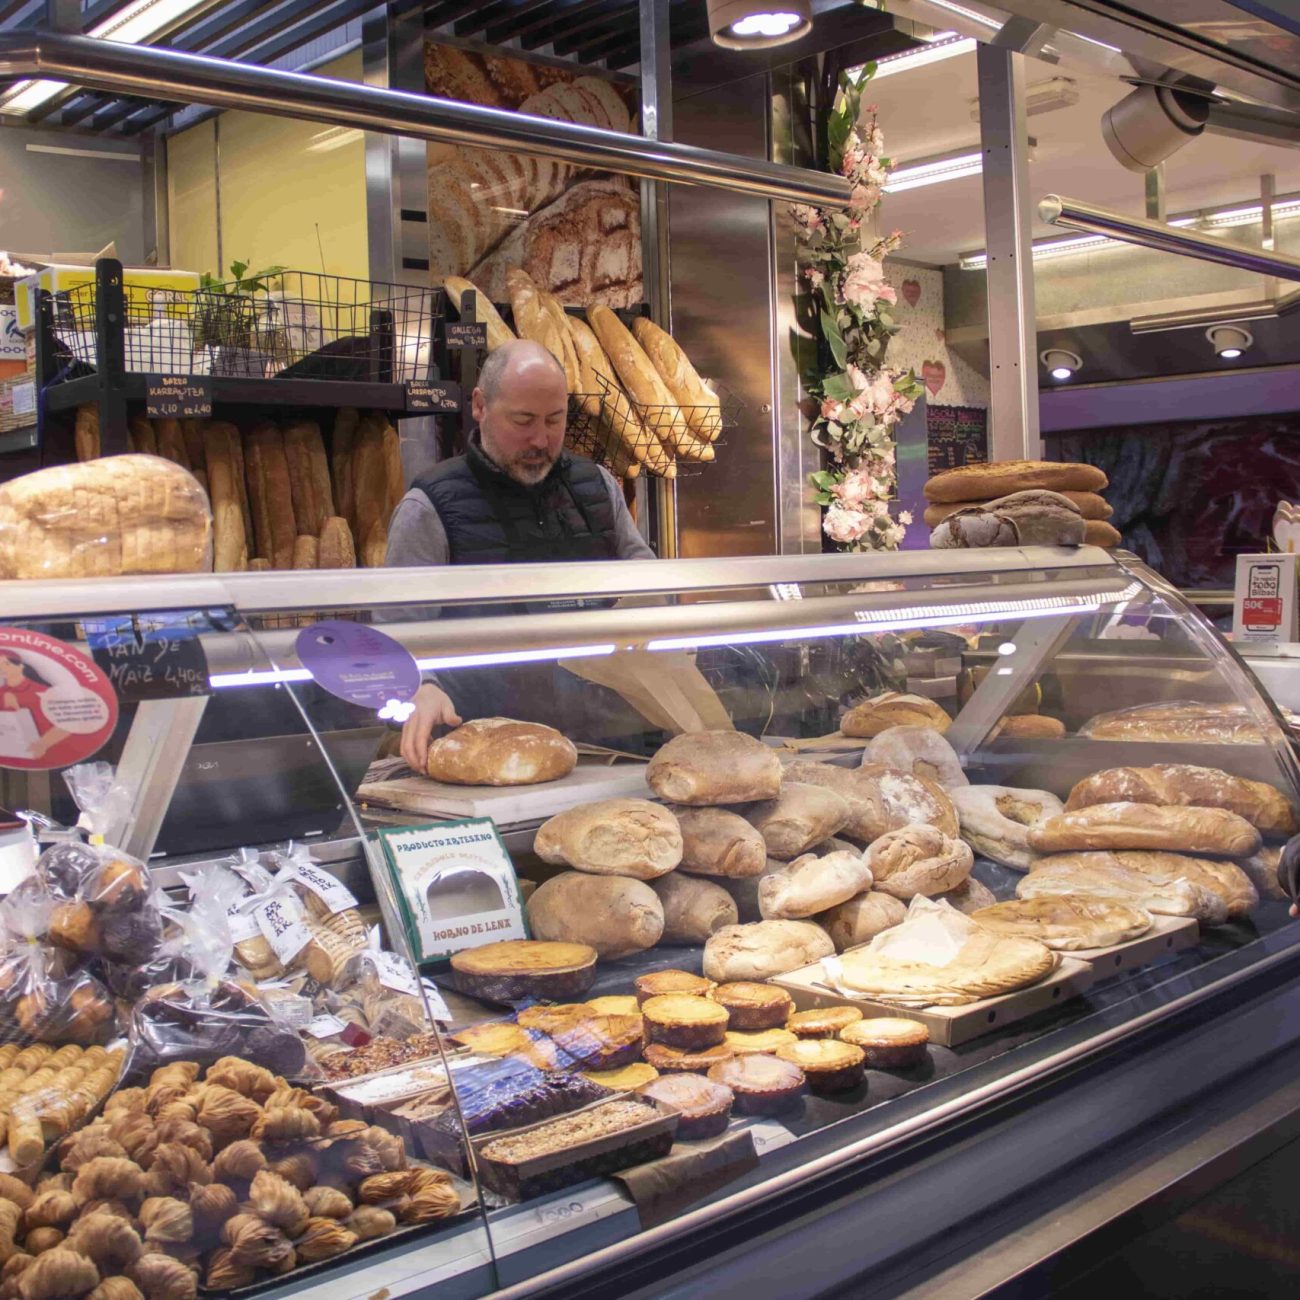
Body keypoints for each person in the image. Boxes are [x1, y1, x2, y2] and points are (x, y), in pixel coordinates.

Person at [386, 338, 655, 771]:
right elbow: (396, 634)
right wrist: (421, 685)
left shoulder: (599, 487)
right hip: (483, 751)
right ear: (479, 406)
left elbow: (646, 578)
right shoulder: (430, 507)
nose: (541, 438)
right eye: (523, 420)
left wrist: (642, 613)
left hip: (604, 747)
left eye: (555, 420)